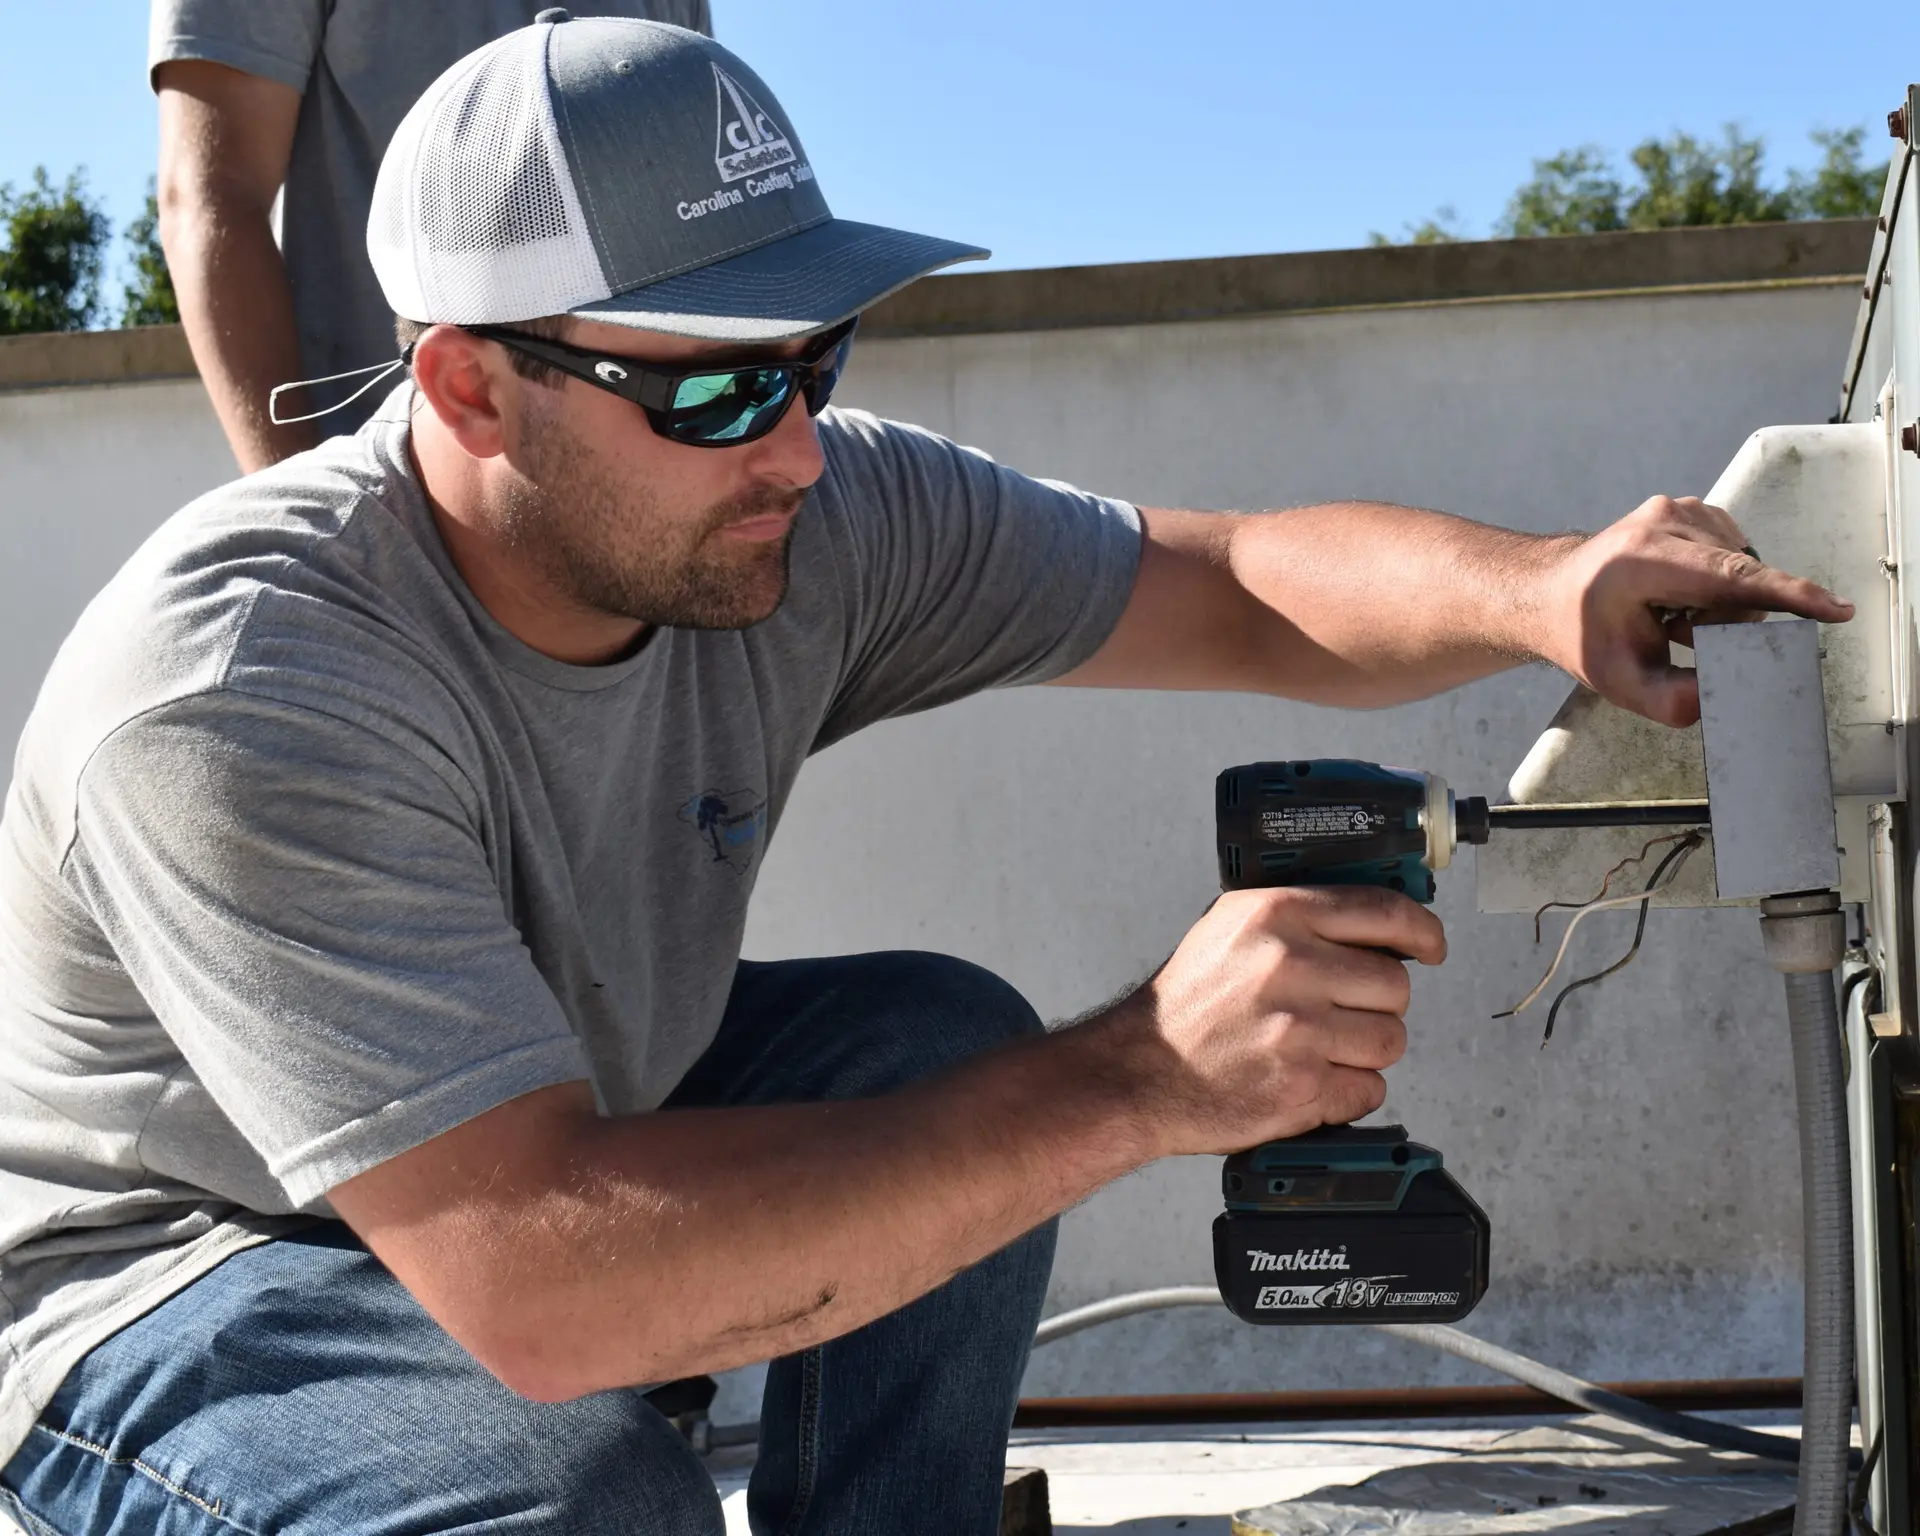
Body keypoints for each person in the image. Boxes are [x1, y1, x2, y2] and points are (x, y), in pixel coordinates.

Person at [0, 15, 1851, 1536]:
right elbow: (543, 1284)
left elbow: (1227, 581)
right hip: (187, 1262)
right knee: (576, 1500)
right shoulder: (248, 684)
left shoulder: (788, 507)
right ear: (472, 390)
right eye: (718, 388)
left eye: (819, 353)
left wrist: (1542, 589)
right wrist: (1137, 1077)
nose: (799, 447)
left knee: (943, 1050)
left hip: (539, 1127)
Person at [149, 0, 712, 472]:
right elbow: (212, 194)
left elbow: (703, 202)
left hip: (654, 480)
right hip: (389, 496)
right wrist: (311, 517)